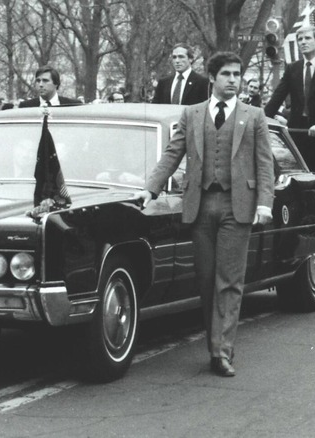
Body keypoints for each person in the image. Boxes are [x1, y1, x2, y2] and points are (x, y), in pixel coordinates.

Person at [131, 52, 274, 377]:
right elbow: (173, 152)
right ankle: (217, 343)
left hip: (237, 207)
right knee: (207, 280)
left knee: (229, 281)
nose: (233, 80)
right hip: (200, 206)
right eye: (226, 74)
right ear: (212, 78)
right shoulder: (192, 114)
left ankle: (221, 351)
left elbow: (265, 163)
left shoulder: (253, 116)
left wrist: (264, 202)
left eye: (237, 74)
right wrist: (150, 188)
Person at [264, 26, 315, 171]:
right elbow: (278, 96)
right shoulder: (293, 68)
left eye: (307, 38)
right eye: (300, 39)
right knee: (298, 173)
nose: (303, 42)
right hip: (298, 129)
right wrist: (261, 117)